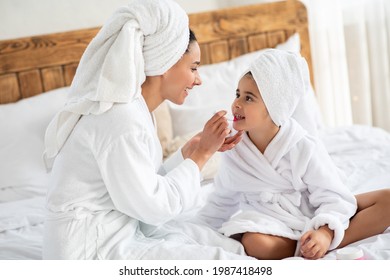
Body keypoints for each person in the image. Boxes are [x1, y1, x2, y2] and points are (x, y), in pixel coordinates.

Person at [42, 0, 247, 260]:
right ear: (165, 64)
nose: (198, 79)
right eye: (193, 68)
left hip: (115, 234)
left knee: (225, 245)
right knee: (224, 261)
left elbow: (142, 188)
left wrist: (189, 152)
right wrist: (201, 156)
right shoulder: (119, 119)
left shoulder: (135, 111)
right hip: (89, 252)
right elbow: (153, 209)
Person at [197, 49, 390, 260]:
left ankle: (323, 241)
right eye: (237, 94)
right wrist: (198, 228)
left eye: (249, 98)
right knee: (255, 243)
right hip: (269, 221)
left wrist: (325, 231)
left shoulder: (302, 145)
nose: (237, 103)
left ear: (274, 107)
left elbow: (333, 195)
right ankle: (310, 244)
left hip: (313, 210)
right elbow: (223, 198)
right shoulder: (235, 146)